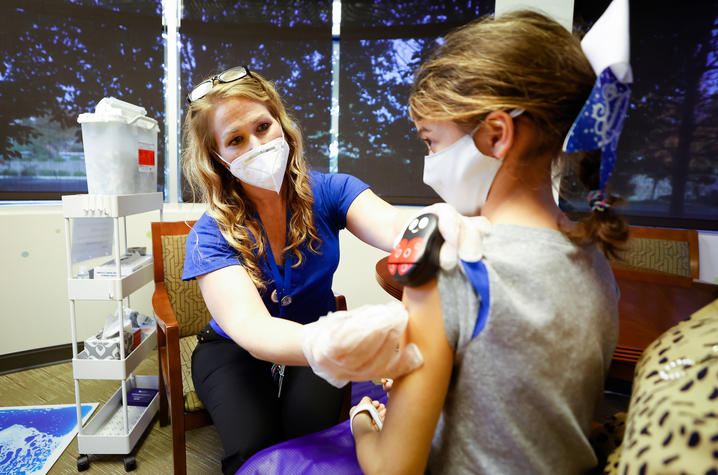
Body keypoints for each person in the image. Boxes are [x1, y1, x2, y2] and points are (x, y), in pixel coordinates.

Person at [350, 8, 631, 474]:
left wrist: (365, 418)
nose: (427, 162)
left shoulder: (451, 266)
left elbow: (391, 468)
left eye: (430, 142)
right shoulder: (593, 256)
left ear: (497, 134)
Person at [180, 67, 421, 474]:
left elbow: (397, 230)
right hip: (232, 350)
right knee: (253, 449)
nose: (257, 145)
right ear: (218, 159)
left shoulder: (332, 190)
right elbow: (254, 331)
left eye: (262, 126)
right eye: (236, 140)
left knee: (309, 437)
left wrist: (441, 231)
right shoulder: (209, 236)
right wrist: (343, 342)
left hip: (317, 332)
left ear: (282, 125)